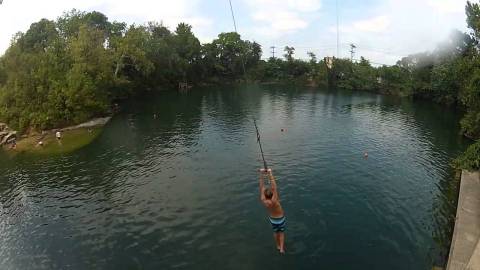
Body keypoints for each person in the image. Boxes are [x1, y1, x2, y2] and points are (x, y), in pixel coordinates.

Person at [259, 168, 286, 254]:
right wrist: (270, 173)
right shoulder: (274, 201)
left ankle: (277, 245)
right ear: (272, 195)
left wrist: (262, 174)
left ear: (265, 195)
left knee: (275, 232)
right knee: (281, 233)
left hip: (273, 220)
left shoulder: (263, 200)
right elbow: (274, 187)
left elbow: (261, 187)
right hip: (280, 219)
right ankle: (281, 248)